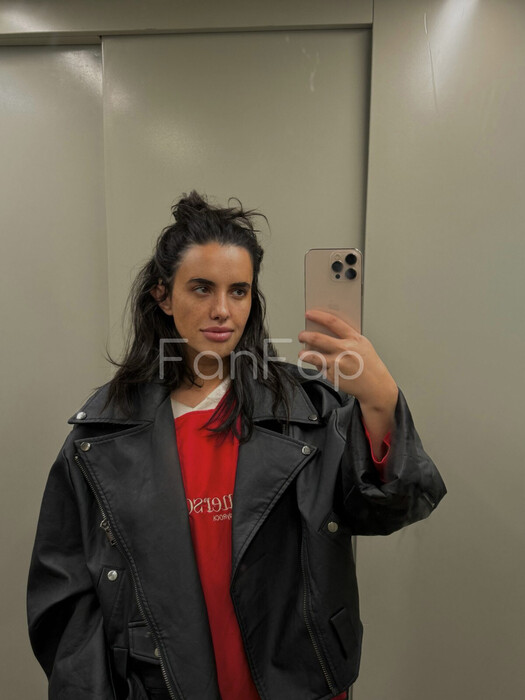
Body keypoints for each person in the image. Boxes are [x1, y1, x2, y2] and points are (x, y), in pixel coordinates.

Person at [27, 192, 446, 700]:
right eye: (201, 288)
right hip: (160, 685)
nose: (222, 310)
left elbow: (390, 508)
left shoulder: (308, 410)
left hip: (295, 681)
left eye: (239, 291)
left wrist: (381, 402)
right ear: (163, 296)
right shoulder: (99, 438)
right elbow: (65, 601)